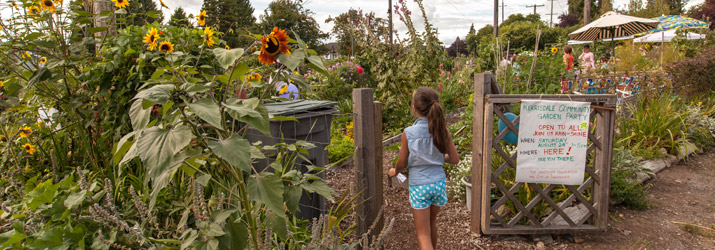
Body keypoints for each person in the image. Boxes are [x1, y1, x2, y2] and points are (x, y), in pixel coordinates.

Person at [388, 87, 460, 250]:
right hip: (438, 185)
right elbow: (454, 159)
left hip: (420, 186)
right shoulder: (442, 131)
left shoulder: (409, 133)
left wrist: (395, 171)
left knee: (422, 234)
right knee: (431, 224)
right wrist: (439, 159)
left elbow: (401, 163)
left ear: (414, 108)